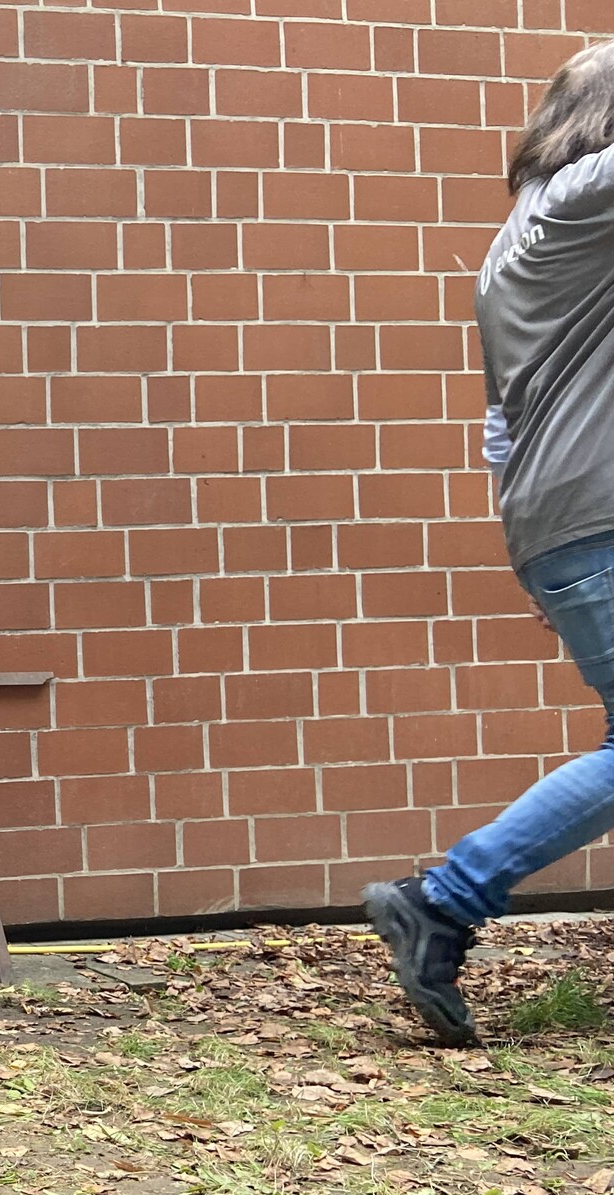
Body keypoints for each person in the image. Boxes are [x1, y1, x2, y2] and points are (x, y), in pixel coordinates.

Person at [365, 40, 614, 1048]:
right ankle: (444, 899)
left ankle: (444, 902)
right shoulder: (583, 199)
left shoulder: (519, 238)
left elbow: (497, 427)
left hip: (558, 522)